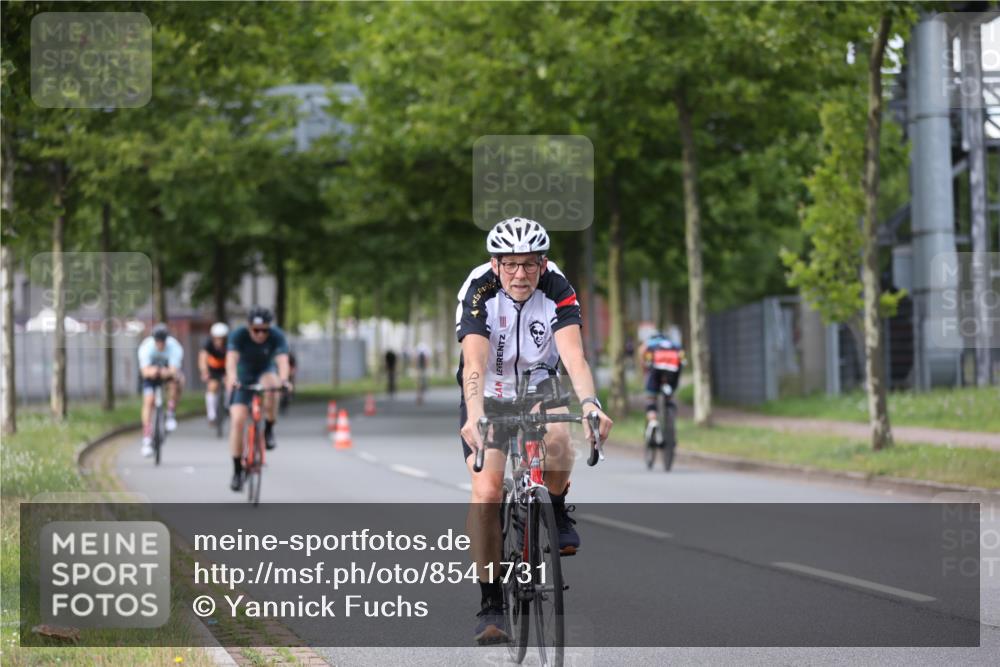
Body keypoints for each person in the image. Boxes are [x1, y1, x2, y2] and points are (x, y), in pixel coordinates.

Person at [456, 217, 613, 644]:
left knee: (560, 440)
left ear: (543, 264)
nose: (520, 274)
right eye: (510, 265)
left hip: (539, 385)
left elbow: (574, 357)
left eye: (529, 264)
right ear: (496, 264)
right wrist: (474, 415)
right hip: (487, 393)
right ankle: (491, 603)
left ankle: (556, 508)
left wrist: (589, 404)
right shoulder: (479, 291)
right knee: (487, 492)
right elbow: (473, 364)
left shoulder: (558, 287)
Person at [225, 306, 292, 492]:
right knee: (237, 420)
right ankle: (237, 470)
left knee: (273, 386)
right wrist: (231, 378)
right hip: (244, 375)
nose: (261, 334)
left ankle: (269, 428)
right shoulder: (238, 335)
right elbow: (231, 360)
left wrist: (285, 380)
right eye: (256, 330)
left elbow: (282, 361)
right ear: (248, 327)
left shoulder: (277, 336)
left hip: (265, 371)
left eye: (265, 330)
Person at [136, 323, 184, 457]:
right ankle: (146, 437)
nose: (160, 345)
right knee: (149, 401)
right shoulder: (146, 347)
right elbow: (145, 372)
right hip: (152, 377)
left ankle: (170, 413)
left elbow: (174, 371)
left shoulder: (174, 347)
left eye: (162, 341)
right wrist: (159, 371)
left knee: (177, 383)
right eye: (158, 341)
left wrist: (163, 372)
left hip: (166, 375)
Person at [637, 332, 685, 442]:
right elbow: (682, 360)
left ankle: (653, 421)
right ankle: (670, 413)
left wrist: (644, 369)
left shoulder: (650, 343)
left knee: (651, 397)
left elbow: (641, 352)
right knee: (669, 396)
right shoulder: (674, 344)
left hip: (656, 371)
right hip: (673, 372)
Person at [198, 322, 229, 424]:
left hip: (227, 367)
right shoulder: (208, 343)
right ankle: (211, 414)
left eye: (221, 338)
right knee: (212, 387)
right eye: (217, 338)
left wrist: (230, 374)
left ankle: (227, 406)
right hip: (214, 368)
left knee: (229, 385)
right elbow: (203, 358)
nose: (219, 340)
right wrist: (204, 372)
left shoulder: (230, 344)